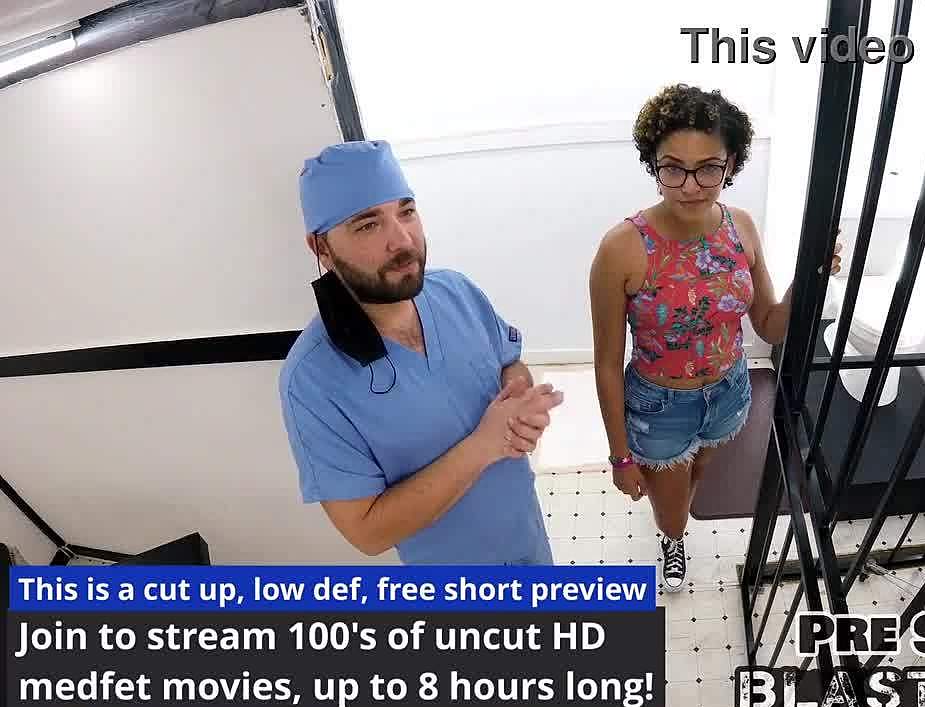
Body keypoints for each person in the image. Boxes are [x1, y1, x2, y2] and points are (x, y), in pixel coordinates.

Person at [589, 85, 841, 589]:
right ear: (653, 164)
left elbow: (769, 324)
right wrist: (620, 456)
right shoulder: (621, 249)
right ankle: (673, 539)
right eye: (673, 168)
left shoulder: (741, 226)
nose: (690, 186)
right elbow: (606, 363)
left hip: (730, 392)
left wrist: (807, 280)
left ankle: (679, 511)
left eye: (708, 168)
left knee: (698, 475)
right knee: (672, 510)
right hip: (660, 406)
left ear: (731, 165)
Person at [279, 140, 563, 570]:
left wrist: (518, 401)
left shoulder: (456, 292)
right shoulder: (312, 378)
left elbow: (509, 361)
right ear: (321, 248)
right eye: (368, 225)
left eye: (406, 212)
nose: (402, 239)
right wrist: (484, 445)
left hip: (531, 545)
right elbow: (367, 532)